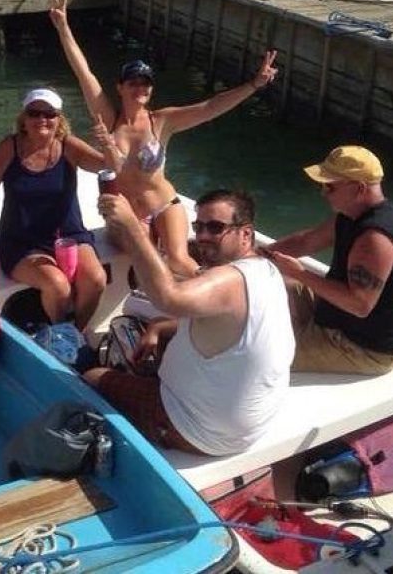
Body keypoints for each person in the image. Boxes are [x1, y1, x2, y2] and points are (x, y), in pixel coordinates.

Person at [49, 0, 277, 277]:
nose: (140, 89)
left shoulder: (162, 121)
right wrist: (63, 27)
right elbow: (85, 74)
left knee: (179, 261)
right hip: (129, 215)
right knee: (147, 260)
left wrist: (254, 85)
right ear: (119, 87)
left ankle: (215, 296)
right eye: (133, 83)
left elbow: (211, 106)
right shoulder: (109, 119)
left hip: (164, 204)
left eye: (146, 84)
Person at [86, 189, 294, 455]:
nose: (203, 236)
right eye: (199, 227)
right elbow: (228, 331)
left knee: (92, 376)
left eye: (216, 228)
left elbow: (168, 298)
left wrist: (133, 230)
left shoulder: (229, 281)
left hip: (194, 428)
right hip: (246, 427)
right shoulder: (266, 271)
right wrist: (159, 327)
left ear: (246, 233)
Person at [267, 146, 393, 375]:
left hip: (362, 348)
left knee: (260, 351)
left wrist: (300, 273)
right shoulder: (350, 215)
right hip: (335, 316)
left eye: (329, 186)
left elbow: (359, 304)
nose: (323, 192)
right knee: (267, 285)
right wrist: (255, 257)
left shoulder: (375, 239)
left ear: (359, 189)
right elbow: (306, 242)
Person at [0, 88, 107, 330]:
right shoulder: (10, 146)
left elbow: (108, 166)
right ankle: (61, 336)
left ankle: (74, 334)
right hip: (21, 242)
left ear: (59, 119)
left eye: (49, 114)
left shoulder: (70, 146)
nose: (42, 119)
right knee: (57, 285)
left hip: (69, 235)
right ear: (24, 119)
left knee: (96, 279)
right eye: (34, 113)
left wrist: (109, 145)